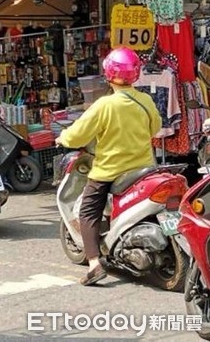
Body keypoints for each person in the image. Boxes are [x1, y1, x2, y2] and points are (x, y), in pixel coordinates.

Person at [55, 47, 162, 286]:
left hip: (110, 172)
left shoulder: (105, 105)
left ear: (109, 73)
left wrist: (62, 138)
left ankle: (94, 264)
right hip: (144, 169)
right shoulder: (145, 100)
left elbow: (77, 135)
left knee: (88, 211)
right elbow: (155, 129)